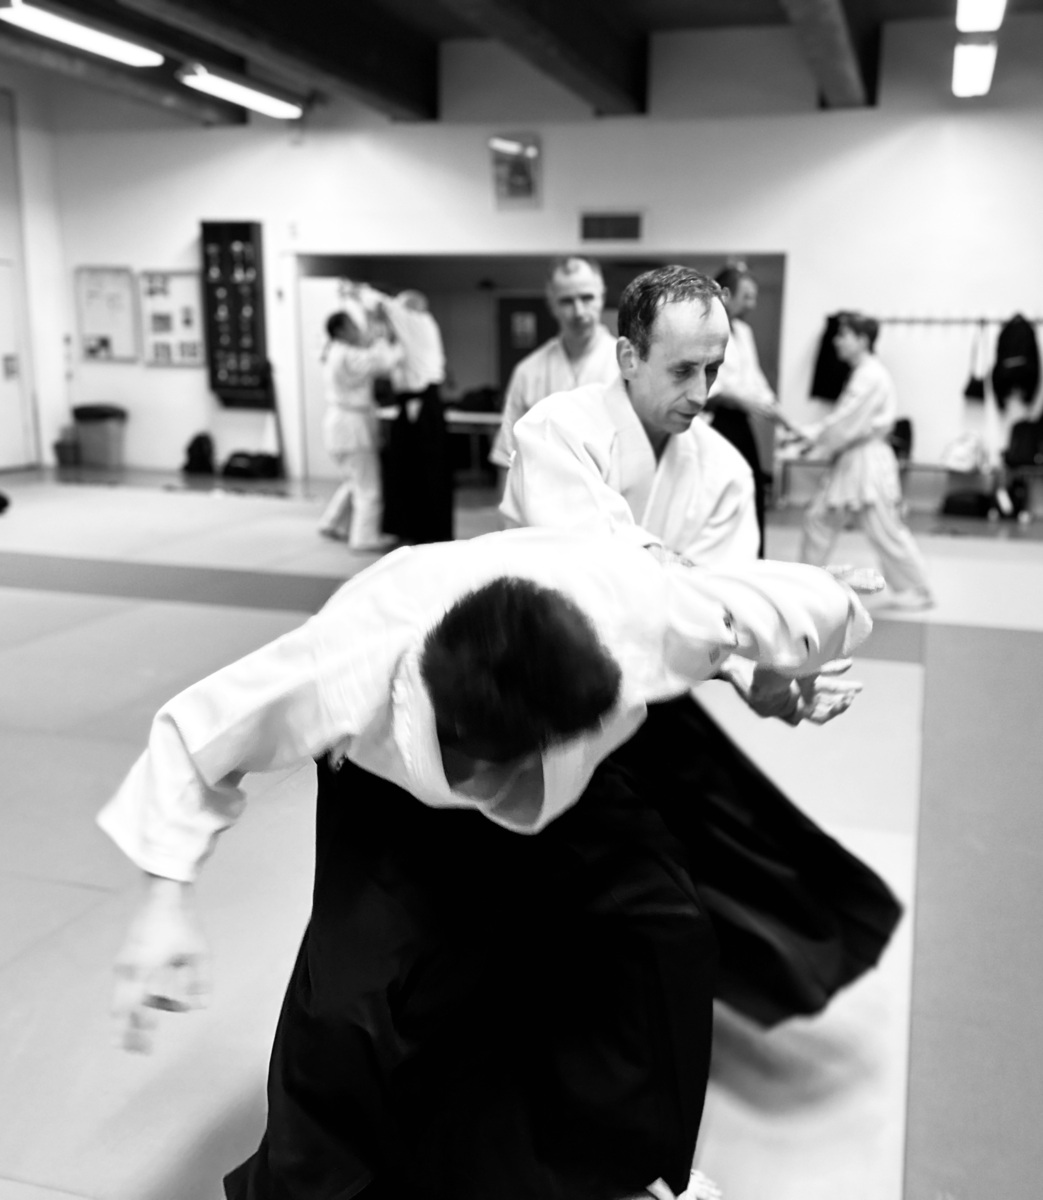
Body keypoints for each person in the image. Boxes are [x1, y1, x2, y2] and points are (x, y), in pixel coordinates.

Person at [100, 528, 874, 1200]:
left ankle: (630, 1170)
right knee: (352, 1003)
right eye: (495, 768)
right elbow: (194, 739)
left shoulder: (640, 609)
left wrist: (770, 676)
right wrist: (164, 901)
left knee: (664, 931)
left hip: (570, 764)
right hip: (386, 786)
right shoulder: (346, 662)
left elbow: (813, 605)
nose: (504, 789)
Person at [503, 265, 903, 1027]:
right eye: (682, 369)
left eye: (713, 369)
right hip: (532, 691)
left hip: (640, 691)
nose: (702, 389)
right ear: (628, 356)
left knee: (729, 853)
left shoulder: (721, 470)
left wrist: (753, 668)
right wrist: (769, 599)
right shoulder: (556, 429)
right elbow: (603, 569)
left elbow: (709, 616)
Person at [794, 311, 935, 611]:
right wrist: (811, 438)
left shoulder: (871, 375)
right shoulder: (861, 372)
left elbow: (846, 420)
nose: (836, 341)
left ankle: (918, 588)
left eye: (843, 335)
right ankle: (807, 584)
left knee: (884, 528)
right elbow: (844, 422)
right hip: (853, 458)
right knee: (819, 519)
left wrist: (809, 435)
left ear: (862, 339)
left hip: (869, 461)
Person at [489, 256, 619, 477]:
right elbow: (508, 458)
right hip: (544, 495)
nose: (579, 312)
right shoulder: (528, 372)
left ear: (602, 297)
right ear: (551, 305)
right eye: (566, 301)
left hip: (612, 494)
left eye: (587, 298)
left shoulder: (628, 369)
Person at [359, 284, 455, 544]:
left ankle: (430, 533)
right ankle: (408, 529)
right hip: (409, 404)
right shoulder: (408, 339)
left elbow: (382, 304)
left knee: (428, 470)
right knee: (403, 468)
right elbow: (385, 363)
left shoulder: (419, 323)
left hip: (425, 406)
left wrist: (357, 290)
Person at [706, 265, 784, 555]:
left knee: (751, 485)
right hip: (713, 419)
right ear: (725, 295)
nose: (752, 304)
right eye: (747, 296)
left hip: (738, 419)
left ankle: (754, 557)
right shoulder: (704, 325)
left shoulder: (744, 332)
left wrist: (777, 411)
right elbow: (708, 383)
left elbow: (754, 379)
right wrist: (738, 399)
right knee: (720, 494)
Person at [316, 309, 402, 551]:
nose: (357, 330)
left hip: (339, 424)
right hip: (351, 427)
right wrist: (384, 338)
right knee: (368, 487)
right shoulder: (348, 354)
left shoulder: (334, 352)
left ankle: (331, 522)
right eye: (352, 326)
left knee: (354, 480)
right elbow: (383, 363)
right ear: (341, 331)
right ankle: (364, 538)